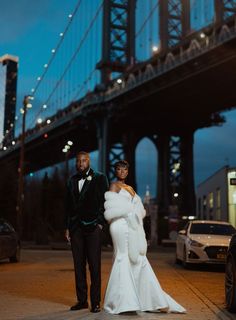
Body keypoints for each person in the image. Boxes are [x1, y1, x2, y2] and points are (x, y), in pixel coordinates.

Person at [103, 160, 186, 314]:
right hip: (120, 225)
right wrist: (130, 211)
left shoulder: (131, 188)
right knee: (122, 258)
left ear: (128, 172)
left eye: (125, 170)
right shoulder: (114, 186)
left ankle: (152, 300)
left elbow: (139, 210)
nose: (122, 172)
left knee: (140, 260)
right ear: (116, 171)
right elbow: (111, 209)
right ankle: (123, 302)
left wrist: (136, 213)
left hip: (134, 227)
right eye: (119, 169)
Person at [65, 151, 108, 313]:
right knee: (78, 266)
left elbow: (106, 201)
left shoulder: (99, 178)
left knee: (94, 266)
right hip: (76, 228)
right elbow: (67, 206)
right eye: (78, 161)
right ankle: (82, 300)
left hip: (93, 228)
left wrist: (100, 223)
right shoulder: (71, 180)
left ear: (88, 161)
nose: (81, 163)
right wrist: (67, 227)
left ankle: (95, 302)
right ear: (76, 163)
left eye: (84, 161)